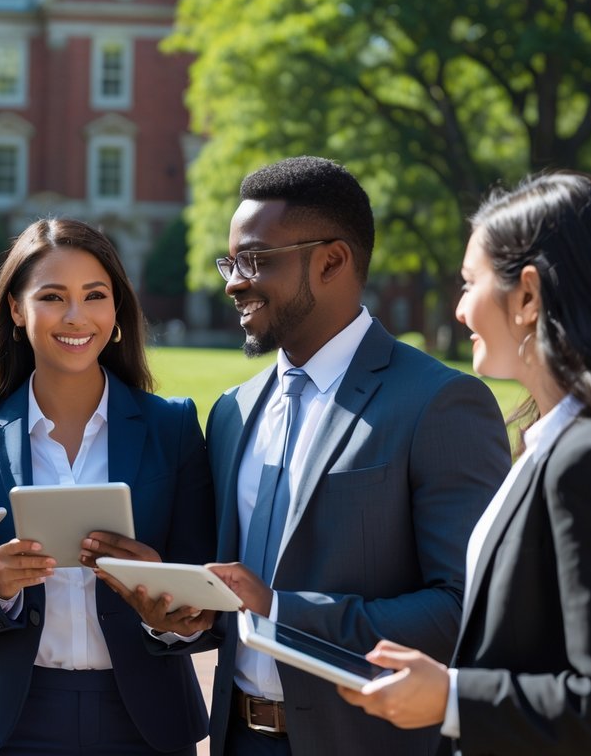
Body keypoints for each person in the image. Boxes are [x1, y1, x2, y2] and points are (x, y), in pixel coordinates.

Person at [337, 172, 591, 754]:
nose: (460, 310)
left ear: (529, 296)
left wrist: (451, 697)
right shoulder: (559, 443)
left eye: (469, 284)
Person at [177, 156, 510, 756]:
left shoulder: (440, 404)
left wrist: (282, 611)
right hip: (236, 740)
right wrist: (179, 607)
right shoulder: (230, 411)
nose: (233, 281)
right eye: (231, 262)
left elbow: (468, 608)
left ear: (331, 261)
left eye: (255, 260)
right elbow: (231, 597)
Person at [0, 218, 216, 756]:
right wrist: (0, 585)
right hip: (15, 721)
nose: (76, 316)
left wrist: (165, 604)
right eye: (52, 296)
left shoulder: (173, 428)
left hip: (148, 720)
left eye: (95, 296)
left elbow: (202, 588)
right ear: (17, 310)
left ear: (116, 313)